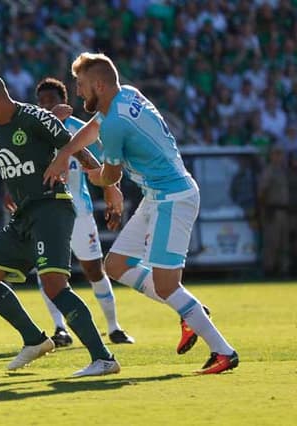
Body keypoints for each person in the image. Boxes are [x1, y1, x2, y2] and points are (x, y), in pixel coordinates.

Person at [43, 53, 238, 374]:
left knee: (166, 285)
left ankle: (224, 352)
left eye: (81, 85)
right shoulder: (126, 96)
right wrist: (65, 154)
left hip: (172, 199)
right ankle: (191, 312)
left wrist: (96, 177)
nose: (77, 92)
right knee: (116, 265)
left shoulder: (117, 124)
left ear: (99, 85)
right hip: (158, 196)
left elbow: (111, 175)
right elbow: (92, 130)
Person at [0, 71, 120, 377]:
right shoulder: (0, 130)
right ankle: (34, 340)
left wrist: (108, 184)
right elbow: (21, 164)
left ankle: (103, 358)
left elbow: (76, 146)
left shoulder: (33, 117)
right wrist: (11, 190)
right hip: (25, 214)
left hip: (51, 208)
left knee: (54, 286)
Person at [34, 77, 134, 347]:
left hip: (80, 213)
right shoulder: (34, 132)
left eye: (51, 101)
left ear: (64, 103)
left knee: (94, 270)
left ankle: (114, 327)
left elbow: (108, 162)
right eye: (40, 102)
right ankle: (59, 329)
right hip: (46, 214)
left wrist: (112, 192)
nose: (45, 106)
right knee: (49, 273)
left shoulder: (82, 131)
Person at [258, 147, 290, 277]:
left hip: (284, 210)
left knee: (284, 243)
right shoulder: (269, 171)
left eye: (280, 154)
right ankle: (269, 270)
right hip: (273, 210)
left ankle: (283, 270)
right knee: (272, 242)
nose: (278, 157)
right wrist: (265, 208)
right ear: (271, 156)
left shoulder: (283, 171)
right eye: (276, 154)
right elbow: (261, 192)